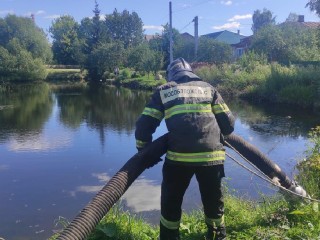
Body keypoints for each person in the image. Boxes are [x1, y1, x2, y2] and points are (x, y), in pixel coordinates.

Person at [135, 58, 235, 240]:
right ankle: (217, 236)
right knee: (213, 201)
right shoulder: (208, 88)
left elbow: (144, 125)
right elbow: (228, 125)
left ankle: (169, 237)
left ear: (171, 75)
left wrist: (144, 152)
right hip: (211, 158)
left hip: (179, 159)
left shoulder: (164, 91)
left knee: (171, 202)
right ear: (191, 72)